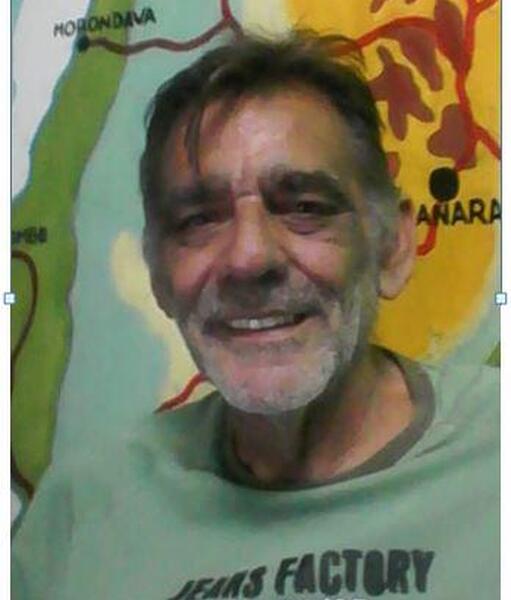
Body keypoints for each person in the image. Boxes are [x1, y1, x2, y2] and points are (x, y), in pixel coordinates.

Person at [12, 31, 498, 600]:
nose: (249, 257)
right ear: (160, 275)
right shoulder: (83, 513)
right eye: (199, 219)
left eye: (304, 207)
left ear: (392, 247)